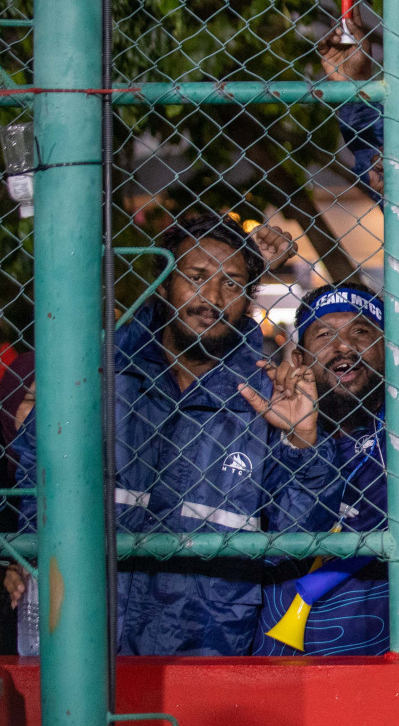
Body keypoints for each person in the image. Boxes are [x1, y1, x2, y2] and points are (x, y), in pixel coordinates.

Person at [12, 213, 337, 656]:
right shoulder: (100, 381)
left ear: (249, 300)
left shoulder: (267, 397)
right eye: (196, 276)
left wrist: (302, 442)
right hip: (83, 635)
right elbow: (34, 472)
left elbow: (295, 538)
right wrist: (29, 552)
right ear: (163, 286)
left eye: (232, 283)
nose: (212, 297)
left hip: (204, 647)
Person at [254, 284, 390, 655]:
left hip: (389, 643)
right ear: (299, 359)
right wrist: (301, 439)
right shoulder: (266, 426)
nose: (344, 347)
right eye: (325, 334)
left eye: (360, 332)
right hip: (283, 649)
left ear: (387, 347)